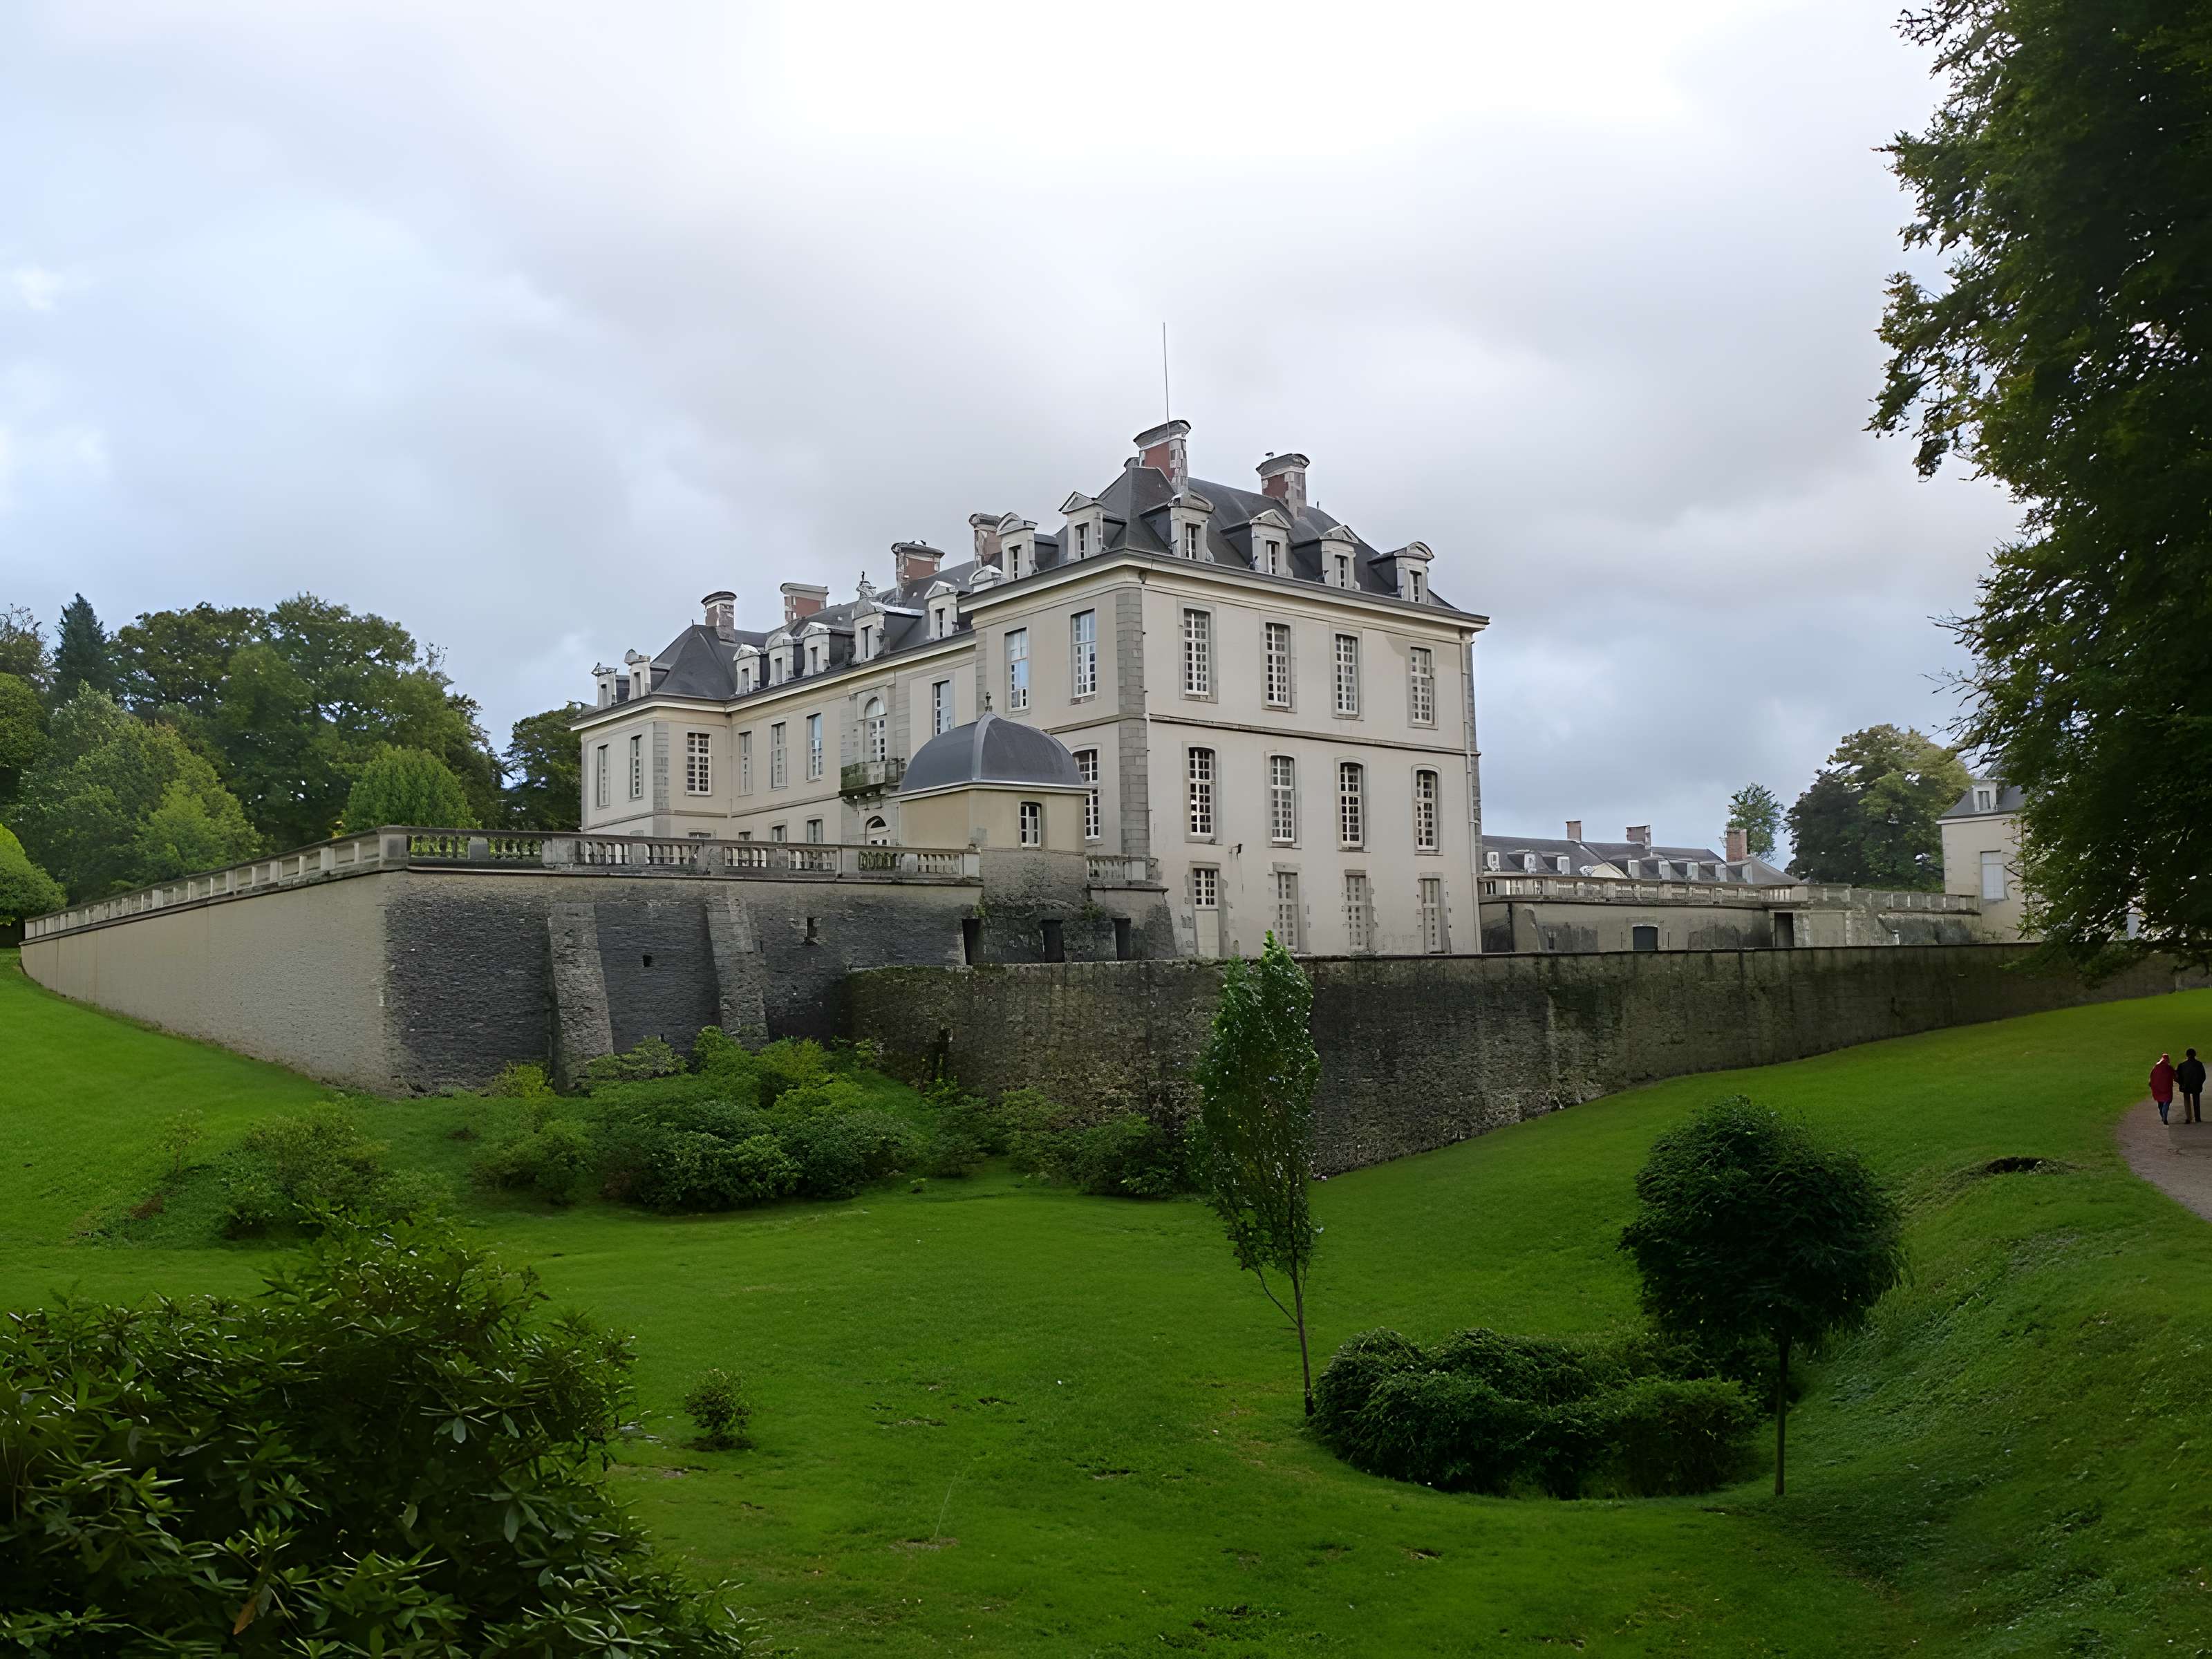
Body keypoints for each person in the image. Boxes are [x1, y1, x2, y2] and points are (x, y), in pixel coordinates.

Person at [2179, 1049, 2206, 1125]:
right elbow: (2203, 1076)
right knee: (2196, 1102)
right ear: (2195, 1055)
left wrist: (2182, 1084)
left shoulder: (2182, 1065)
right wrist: (2200, 1083)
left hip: (2186, 1086)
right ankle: (2198, 1118)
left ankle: (2189, 1117)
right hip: (2196, 1086)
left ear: (2187, 1055)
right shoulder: (2199, 1064)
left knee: (2187, 1101)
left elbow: (2179, 1077)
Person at [2151, 1053, 2176, 1126]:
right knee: (2167, 1101)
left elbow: (2151, 1076)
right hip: (2167, 1087)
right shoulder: (2169, 1067)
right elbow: (2175, 1076)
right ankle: (2165, 1115)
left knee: (2160, 1103)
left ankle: (2163, 1116)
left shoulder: (2156, 1066)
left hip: (2158, 1088)